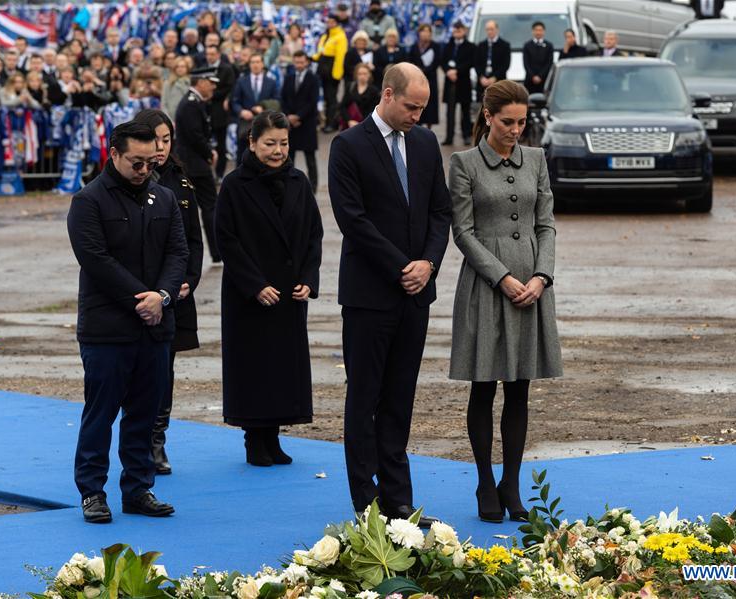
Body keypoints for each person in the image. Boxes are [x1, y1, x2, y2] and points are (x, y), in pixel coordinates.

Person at [328, 63, 452, 527]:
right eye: (411, 106)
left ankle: (399, 501)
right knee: (364, 400)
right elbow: (352, 220)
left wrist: (428, 264)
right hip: (369, 294)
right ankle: (367, 503)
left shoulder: (423, 143)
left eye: (423, 108)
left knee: (400, 399)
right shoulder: (347, 146)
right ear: (387, 94)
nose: (417, 116)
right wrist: (402, 266)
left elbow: (440, 213)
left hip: (415, 295)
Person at [447, 80, 562, 523]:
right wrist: (502, 278)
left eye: (522, 122)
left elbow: (547, 224)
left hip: (532, 289)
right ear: (488, 115)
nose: (515, 130)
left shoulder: (536, 159)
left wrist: (541, 276)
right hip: (486, 288)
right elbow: (464, 232)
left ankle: (511, 484)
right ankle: (483, 482)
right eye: (507, 122)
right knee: (484, 385)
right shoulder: (463, 163)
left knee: (520, 388)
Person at [67, 121, 189, 523]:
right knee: (100, 414)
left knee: (144, 411)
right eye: (136, 163)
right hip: (107, 329)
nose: (143, 170)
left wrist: (163, 297)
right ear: (113, 154)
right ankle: (92, 492)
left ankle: (138, 488)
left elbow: (177, 253)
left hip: (155, 327)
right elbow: (96, 260)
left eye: (150, 162)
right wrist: (142, 299)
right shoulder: (88, 201)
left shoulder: (165, 198)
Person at [216, 111, 324, 467]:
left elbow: (313, 235)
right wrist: (254, 284)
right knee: (253, 367)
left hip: (288, 292)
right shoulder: (234, 184)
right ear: (252, 143)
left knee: (282, 368)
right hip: (250, 293)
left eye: (283, 143)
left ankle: (274, 437)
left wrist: (309, 279)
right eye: (269, 144)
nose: (278, 151)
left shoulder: (298, 181)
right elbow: (227, 240)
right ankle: (254, 439)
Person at [131, 109, 204, 476]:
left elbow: (193, 239)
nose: (160, 147)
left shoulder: (181, 180)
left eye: (166, 139)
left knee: (165, 369)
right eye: (154, 139)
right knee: (135, 371)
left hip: (175, 294)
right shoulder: (127, 177)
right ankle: (137, 440)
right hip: (136, 293)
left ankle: (157, 441)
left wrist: (188, 279)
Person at [175, 66, 221, 263]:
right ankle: (216, 251)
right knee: (209, 207)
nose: (212, 87)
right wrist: (209, 153)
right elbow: (195, 135)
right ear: (200, 82)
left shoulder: (193, 102)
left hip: (191, 164)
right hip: (195, 165)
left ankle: (212, 252)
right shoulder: (191, 104)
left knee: (194, 209)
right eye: (210, 83)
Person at [281, 51, 321, 192]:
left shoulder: (313, 78)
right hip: (290, 125)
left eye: (301, 62)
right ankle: (288, 185)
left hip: (307, 123)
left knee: (310, 158)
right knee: (288, 156)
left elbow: (313, 101)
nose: (299, 65)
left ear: (307, 62)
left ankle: (313, 187)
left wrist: (298, 116)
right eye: (296, 62)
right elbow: (283, 98)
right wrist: (288, 116)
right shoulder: (288, 78)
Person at [203, 44, 237, 181]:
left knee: (221, 146)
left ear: (218, 55)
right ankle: (206, 173)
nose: (209, 57)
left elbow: (230, 87)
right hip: (205, 111)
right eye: (207, 54)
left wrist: (212, 94)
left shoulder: (226, 69)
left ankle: (219, 174)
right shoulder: (203, 69)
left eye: (212, 54)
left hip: (220, 112)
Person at [231, 53, 280, 142]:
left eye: (258, 62)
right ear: (249, 65)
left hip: (266, 123)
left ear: (262, 64)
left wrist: (263, 108)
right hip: (245, 124)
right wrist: (241, 111)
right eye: (253, 62)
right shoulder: (241, 81)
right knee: (243, 152)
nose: (255, 65)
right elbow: (235, 101)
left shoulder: (271, 82)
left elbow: (276, 101)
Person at [441, 21, 476, 146]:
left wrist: (457, 71)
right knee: (450, 111)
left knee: (465, 111)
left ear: (464, 31)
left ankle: (466, 135)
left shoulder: (470, 46)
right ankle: (449, 137)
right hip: (450, 82)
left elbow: (471, 61)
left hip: (463, 81)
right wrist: (448, 72)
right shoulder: (448, 45)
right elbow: (442, 60)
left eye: (459, 30)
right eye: (455, 30)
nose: (457, 32)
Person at [313, 14, 348, 133]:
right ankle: (328, 121)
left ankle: (332, 123)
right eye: (328, 21)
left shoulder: (340, 36)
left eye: (332, 22)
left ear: (337, 23)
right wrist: (313, 58)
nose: (330, 24)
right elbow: (320, 51)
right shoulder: (325, 35)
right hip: (323, 69)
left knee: (332, 98)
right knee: (327, 98)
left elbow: (340, 57)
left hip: (332, 70)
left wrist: (336, 74)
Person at [408, 24, 441, 129]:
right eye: (423, 31)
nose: (426, 34)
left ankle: (429, 129)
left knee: (430, 106)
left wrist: (424, 70)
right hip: (416, 80)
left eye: (428, 31)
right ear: (419, 33)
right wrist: (417, 71)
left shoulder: (435, 46)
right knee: (417, 103)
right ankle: (417, 127)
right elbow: (410, 61)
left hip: (430, 79)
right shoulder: (414, 47)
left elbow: (436, 62)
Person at [475, 20, 511, 102]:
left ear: (497, 30)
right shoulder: (481, 45)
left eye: (491, 29)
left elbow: (505, 64)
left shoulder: (505, 45)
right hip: (483, 83)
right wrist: (481, 77)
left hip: (498, 82)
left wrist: (494, 78)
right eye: (487, 29)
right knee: (483, 109)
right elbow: (476, 63)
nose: (489, 31)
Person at [341, 62, 380, 129]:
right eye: (360, 74)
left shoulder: (374, 91)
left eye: (365, 74)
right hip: (350, 125)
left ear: (369, 75)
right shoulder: (350, 87)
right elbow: (343, 106)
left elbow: (375, 111)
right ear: (356, 75)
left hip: (366, 126)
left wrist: (361, 123)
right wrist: (349, 120)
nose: (362, 76)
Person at [523, 21, 554, 94]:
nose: (538, 32)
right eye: (536, 30)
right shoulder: (527, 45)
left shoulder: (549, 46)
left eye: (540, 30)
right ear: (532, 31)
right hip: (530, 80)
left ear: (544, 31)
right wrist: (533, 76)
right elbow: (526, 63)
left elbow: (549, 62)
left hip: (544, 80)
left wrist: (540, 76)